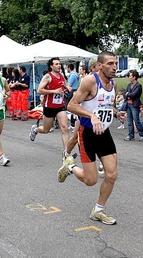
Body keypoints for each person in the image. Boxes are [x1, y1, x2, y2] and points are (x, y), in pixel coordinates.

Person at [57, 51, 124, 225]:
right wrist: (91, 116)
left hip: (104, 133)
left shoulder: (113, 83)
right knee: (91, 180)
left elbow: (107, 106)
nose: (114, 67)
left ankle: (98, 210)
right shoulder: (90, 81)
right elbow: (71, 105)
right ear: (100, 65)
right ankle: (70, 167)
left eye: (115, 63)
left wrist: (117, 113)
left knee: (112, 174)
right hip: (87, 133)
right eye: (110, 63)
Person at [29, 57, 69, 153]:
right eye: (56, 64)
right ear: (51, 66)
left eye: (59, 64)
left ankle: (67, 153)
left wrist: (66, 88)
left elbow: (60, 87)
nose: (59, 65)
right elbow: (39, 90)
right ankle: (36, 130)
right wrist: (53, 91)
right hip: (49, 106)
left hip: (60, 106)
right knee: (46, 130)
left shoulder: (62, 76)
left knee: (65, 128)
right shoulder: (48, 76)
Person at [124, 70, 143, 141]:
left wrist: (128, 94)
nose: (129, 77)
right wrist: (128, 94)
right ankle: (131, 135)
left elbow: (134, 94)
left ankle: (142, 135)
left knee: (136, 120)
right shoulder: (129, 85)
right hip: (128, 104)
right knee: (129, 121)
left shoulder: (138, 86)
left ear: (134, 77)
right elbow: (125, 94)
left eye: (130, 76)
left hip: (134, 105)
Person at [66, 64, 79, 128]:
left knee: (70, 107)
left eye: (67, 68)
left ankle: (72, 123)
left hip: (71, 91)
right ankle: (73, 122)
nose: (66, 69)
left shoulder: (72, 75)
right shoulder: (75, 74)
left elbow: (69, 85)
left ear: (69, 68)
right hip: (74, 90)